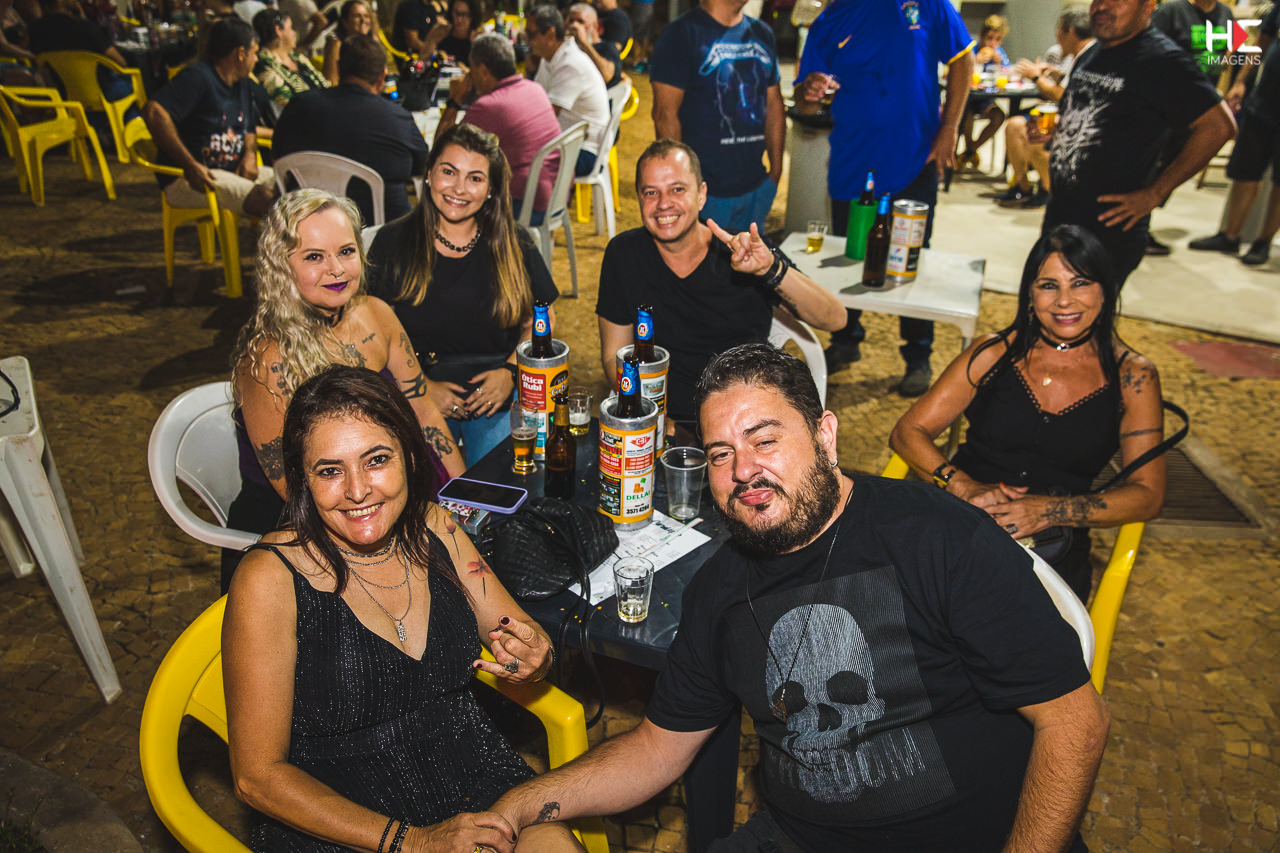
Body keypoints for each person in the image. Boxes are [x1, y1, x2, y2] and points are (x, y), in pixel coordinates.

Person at [481, 341, 1110, 852]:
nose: (743, 470)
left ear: (825, 436)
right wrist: (518, 804)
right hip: (800, 837)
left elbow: (1075, 724)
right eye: (721, 454)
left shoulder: (938, 537)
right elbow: (654, 750)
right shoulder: (718, 590)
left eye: (765, 439)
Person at [223, 364, 583, 853]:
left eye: (376, 460)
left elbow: (516, 629)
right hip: (338, 817)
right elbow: (256, 777)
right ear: (303, 481)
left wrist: (535, 653)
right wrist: (411, 842)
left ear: (410, 457)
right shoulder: (269, 579)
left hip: (470, 769)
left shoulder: (437, 527)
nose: (357, 491)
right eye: (330, 471)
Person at [891, 224, 1166, 602]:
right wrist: (962, 485)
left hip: (1053, 554)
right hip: (959, 525)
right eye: (1049, 285)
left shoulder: (1133, 377)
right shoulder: (993, 353)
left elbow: (1148, 495)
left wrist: (1050, 511)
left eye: (1081, 283)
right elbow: (908, 431)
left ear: (1105, 290)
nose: (1064, 301)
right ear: (1030, 295)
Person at [226, 188, 463, 592]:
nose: (336, 269)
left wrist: (463, 497)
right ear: (280, 267)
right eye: (314, 257)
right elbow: (296, 488)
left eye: (346, 252)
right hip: (305, 525)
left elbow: (424, 412)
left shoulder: (377, 314)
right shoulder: (268, 359)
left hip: (387, 492)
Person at [596, 140, 845, 434]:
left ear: (701, 195)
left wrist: (769, 269)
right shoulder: (623, 255)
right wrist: (653, 419)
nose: (663, 203)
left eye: (678, 189)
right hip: (666, 424)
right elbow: (613, 355)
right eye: (651, 192)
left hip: (746, 422)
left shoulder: (741, 251)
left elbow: (835, 318)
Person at [795, 0, 974, 397]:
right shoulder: (829, 21)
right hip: (852, 165)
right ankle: (846, 339)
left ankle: (918, 354)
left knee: (910, 259)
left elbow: (963, 59)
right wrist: (810, 92)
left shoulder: (927, 4)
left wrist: (950, 128)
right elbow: (806, 98)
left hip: (913, 160)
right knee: (850, 257)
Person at [366, 123, 559, 463]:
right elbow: (371, 333)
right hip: (415, 384)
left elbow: (543, 321)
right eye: (448, 172)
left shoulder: (514, 243)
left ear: (491, 190)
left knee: (500, 478)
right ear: (429, 174)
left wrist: (511, 373)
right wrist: (419, 387)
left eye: (475, 178)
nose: (459, 188)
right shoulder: (393, 242)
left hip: (495, 387)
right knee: (421, 481)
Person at [1037, 0, 1235, 288]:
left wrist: (1155, 193)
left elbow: (1218, 127)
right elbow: (1085, 115)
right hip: (1060, 215)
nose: (1102, 6)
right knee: (1041, 306)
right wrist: (1056, 132)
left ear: (1148, 6)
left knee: (1076, 313)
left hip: (1108, 228)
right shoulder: (1091, 53)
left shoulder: (1162, 61)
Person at [650, 0, 782, 232]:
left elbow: (774, 105)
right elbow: (665, 115)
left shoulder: (762, 33)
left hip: (756, 188)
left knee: (750, 256)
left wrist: (775, 173)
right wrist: (682, 188)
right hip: (705, 195)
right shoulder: (680, 34)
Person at [274, 33, 429, 224]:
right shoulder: (397, 118)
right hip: (380, 233)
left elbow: (278, 160)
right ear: (382, 77)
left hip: (308, 226)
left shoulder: (297, 108)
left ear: (339, 68)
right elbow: (422, 167)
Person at [142, 16, 279, 218]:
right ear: (241, 54)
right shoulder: (197, 77)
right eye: (255, 53)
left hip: (231, 171)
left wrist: (250, 154)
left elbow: (248, 126)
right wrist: (190, 165)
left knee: (294, 185)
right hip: (187, 178)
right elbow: (154, 112)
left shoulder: (242, 83)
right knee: (266, 200)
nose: (256, 59)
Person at [436, 33, 562, 224]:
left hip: (524, 205)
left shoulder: (489, 106)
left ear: (483, 71)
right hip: (555, 196)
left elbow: (441, 152)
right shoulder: (535, 88)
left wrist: (455, 100)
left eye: (472, 68)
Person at [1189, 6, 1280, 267]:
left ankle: (1263, 242)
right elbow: (1262, 42)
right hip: (1263, 103)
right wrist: (1241, 81)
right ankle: (1230, 235)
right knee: (1245, 170)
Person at [1146, 0, 1234, 255]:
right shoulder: (1172, 11)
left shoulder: (1225, 13)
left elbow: (1228, 52)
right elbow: (1149, 51)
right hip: (1165, 106)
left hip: (1199, 110)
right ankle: (1137, 227)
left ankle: (1141, 221)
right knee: (1149, 165)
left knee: (1173, 165)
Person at [995, 7, 1094, 209]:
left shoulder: (1089, 55)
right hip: (1063, 116)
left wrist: (1035, 77)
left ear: (1070, 32)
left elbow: (1063, 96)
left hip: (1076, 124)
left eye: (1059, 30)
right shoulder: (1079, 56)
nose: (1057, 37)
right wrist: (1056, 75)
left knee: (1037, 135)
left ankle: (1051, 192)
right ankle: (1023, 187)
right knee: (1014, 125)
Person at [527, 4, 609, 178]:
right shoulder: (550, 57)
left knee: (520, 160)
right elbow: (535, 102)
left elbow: (546, 118)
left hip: (586, 151)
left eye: (531, 34)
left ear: (550, 34)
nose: (527, 40)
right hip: (568, 141)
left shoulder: (570, 64)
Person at [958, 15, 1012, 171]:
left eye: (998, 39)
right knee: (966, 116)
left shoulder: (999, 54)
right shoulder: (972, 49)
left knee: (999, 116)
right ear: (982, 35)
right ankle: (970, 152)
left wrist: (1000, 65)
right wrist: (976, 61)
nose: (992, 43)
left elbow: (1008, 75)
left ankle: (970, 151)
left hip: (985, 99)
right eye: (989, 38)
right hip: (967, 98)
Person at [252, 8, 327, 115]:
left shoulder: (297, 57)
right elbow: (288, 104)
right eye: (291, 28)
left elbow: (325, 85)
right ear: (278, 31)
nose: (294, 33)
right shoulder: (265, 66)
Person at [566, 3, 621, 89]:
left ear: (595, 25)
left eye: (580, 22)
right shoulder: (568, 47)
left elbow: (606, 76)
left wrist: (584, 43)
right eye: (571, 21)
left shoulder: (607, 47)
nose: (574, 25)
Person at [321, 0, 372, 85]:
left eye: (366, 16)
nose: (363, 20)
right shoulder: (336, 45)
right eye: (356, 16)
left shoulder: (370, 44)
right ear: (345, 22)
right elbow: (331, 82)